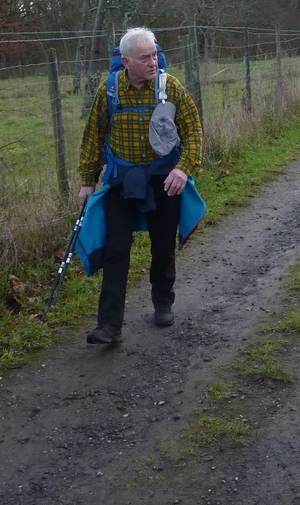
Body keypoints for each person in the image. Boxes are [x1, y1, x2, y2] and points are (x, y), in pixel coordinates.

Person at [77, 27, 205, 345]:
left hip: (164, 179)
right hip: (122, 180)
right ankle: (109, 325)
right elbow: (93, 136)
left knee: (163, 244)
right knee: (116, 249)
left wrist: (182, 169)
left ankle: (163, 303)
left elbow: (194, 131)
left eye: (155, 55)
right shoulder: (109, 92)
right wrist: (87, 181)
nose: (153, 62)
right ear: (126, 61)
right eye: (145, 57)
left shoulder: (170, 87)